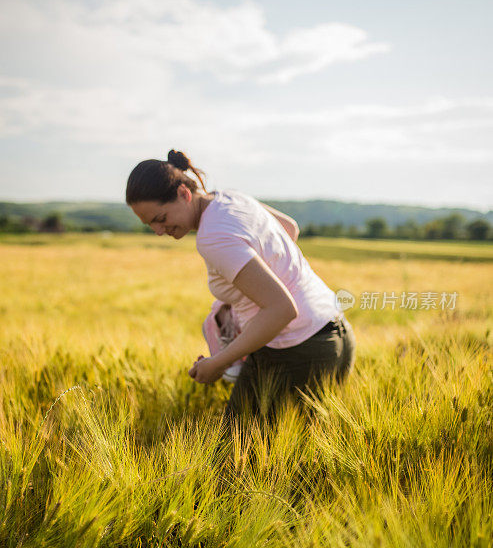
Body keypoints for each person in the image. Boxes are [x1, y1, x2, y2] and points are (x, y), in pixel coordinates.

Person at [126, 150, 356, 418]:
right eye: (150, 225)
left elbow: (281, 308)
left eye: (161, 218)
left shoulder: (213, 237)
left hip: (296, 349)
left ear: (183, 194)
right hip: (337, 334)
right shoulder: (230, 197)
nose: (158, 231)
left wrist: (218, 364)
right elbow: (290, 229)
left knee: (236, 454)